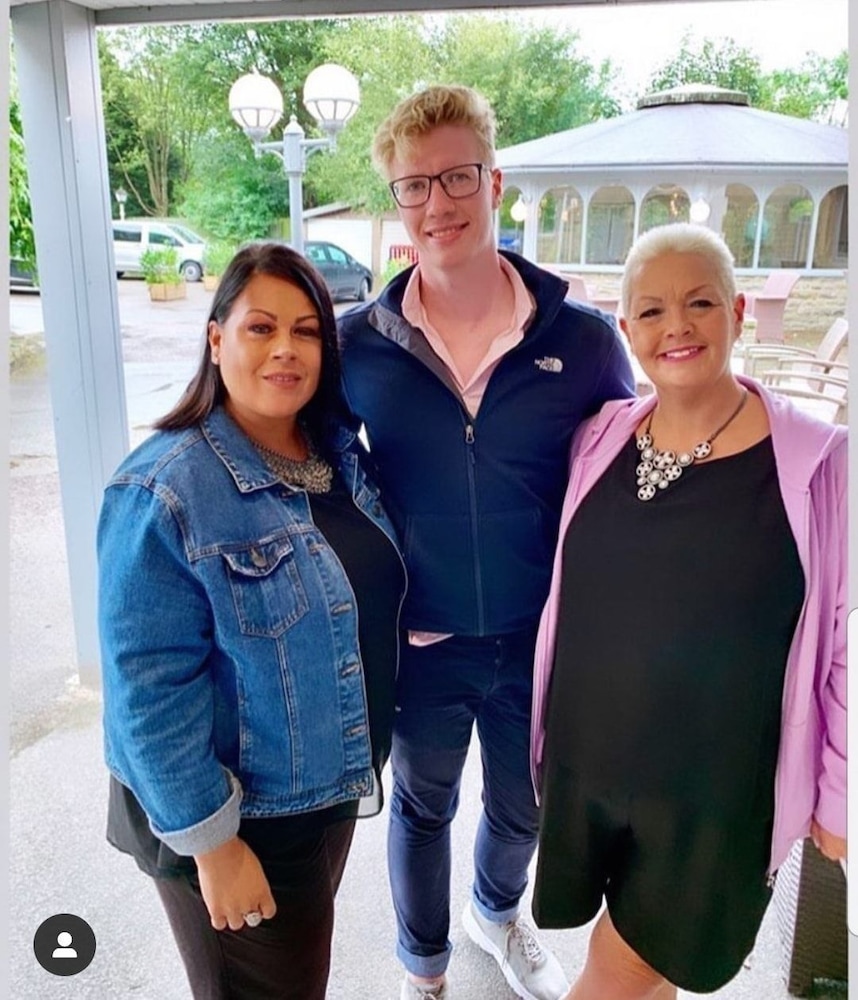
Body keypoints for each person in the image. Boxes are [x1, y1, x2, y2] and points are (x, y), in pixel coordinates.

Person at [338, 84, 636, 1000]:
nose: (438, 203)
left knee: (522, 809)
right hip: (421, 642)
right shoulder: (359, 346)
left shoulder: (583, 341)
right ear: (397, 201)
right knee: (421, 807)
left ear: (494, 181)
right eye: (414, 185)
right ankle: (423, 970)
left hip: (538, 638)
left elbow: (635, 474)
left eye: (458, 177)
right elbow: (314, 476)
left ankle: (495, 915)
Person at [530, 222, 847, 999]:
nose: (676, 325)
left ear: (737, 312)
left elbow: (846, 636)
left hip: (711, 792)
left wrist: (840, 790)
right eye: (651, 310)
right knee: (655, 970)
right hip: (591, 763)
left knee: (620, 967)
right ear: (627, 327)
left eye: (700, 302)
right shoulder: (599, 438)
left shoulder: (821, 463)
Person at [98, 242, 406, 1000]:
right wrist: (212, 844)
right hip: (240, 819)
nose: (285, 349)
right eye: (260, 327)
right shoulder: (166, 488)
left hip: (322, 793)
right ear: (216, 339)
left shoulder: (336, 456)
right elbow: (147, 691)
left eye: (306, 331)